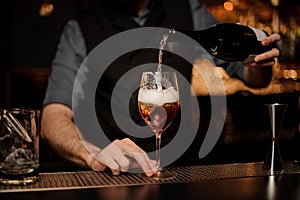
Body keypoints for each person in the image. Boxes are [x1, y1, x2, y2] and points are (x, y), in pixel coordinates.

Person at [41, 0, 281, 177]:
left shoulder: (188, 10)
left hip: (180, 173)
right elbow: (52, 117)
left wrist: (255, 63)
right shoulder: (81, 28)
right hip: (111, 177)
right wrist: (93, 154)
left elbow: (254, 79)